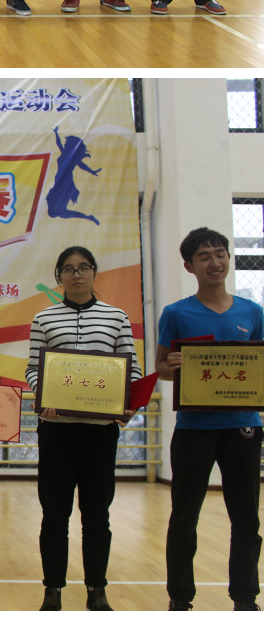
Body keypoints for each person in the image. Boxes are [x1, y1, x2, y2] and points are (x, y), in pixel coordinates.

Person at [25, 247, 142, 611]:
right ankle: (53, 590)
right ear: (58, 277)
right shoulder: (43, 318)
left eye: (83, 268)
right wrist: (43, 395)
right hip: (56, 431)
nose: (76, 275)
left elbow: (132, 370)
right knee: (54, 515)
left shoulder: (117, 317)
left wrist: (128, 405)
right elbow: (33, 369)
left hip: (100, 433)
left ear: (94, 272)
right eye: (68, 269)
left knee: (97, 516)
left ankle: (97, 590)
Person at [156, 226, 263, 612]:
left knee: (246, 519)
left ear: (229, 259)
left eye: (220, 254)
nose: (214, 262)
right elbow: (161, 368)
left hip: (243, 427)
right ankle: (180, 598)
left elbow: (260, 365)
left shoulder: (253, 312)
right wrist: (174, 366)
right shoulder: (175, 313)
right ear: (189, 266)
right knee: (184, 517)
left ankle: (246, 599)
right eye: (204, 256)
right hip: (193, 430)